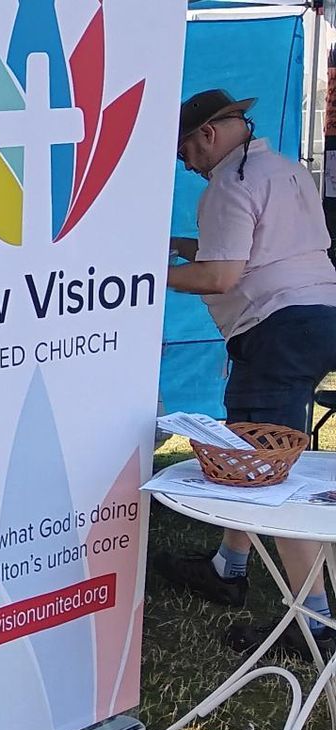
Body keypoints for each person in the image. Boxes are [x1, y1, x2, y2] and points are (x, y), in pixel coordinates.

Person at [162, 89, 336, 659]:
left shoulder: (227, 186)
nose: (187, 164)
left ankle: (315, 622)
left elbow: (221, 277)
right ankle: (228, 566)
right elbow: (253, 251)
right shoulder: (287, 170)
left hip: (275, 328)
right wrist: (181, 247)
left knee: (265, 467)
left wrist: (147, 273)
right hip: (322, 315)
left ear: (208, 134)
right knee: (254, 454)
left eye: (185, 150)